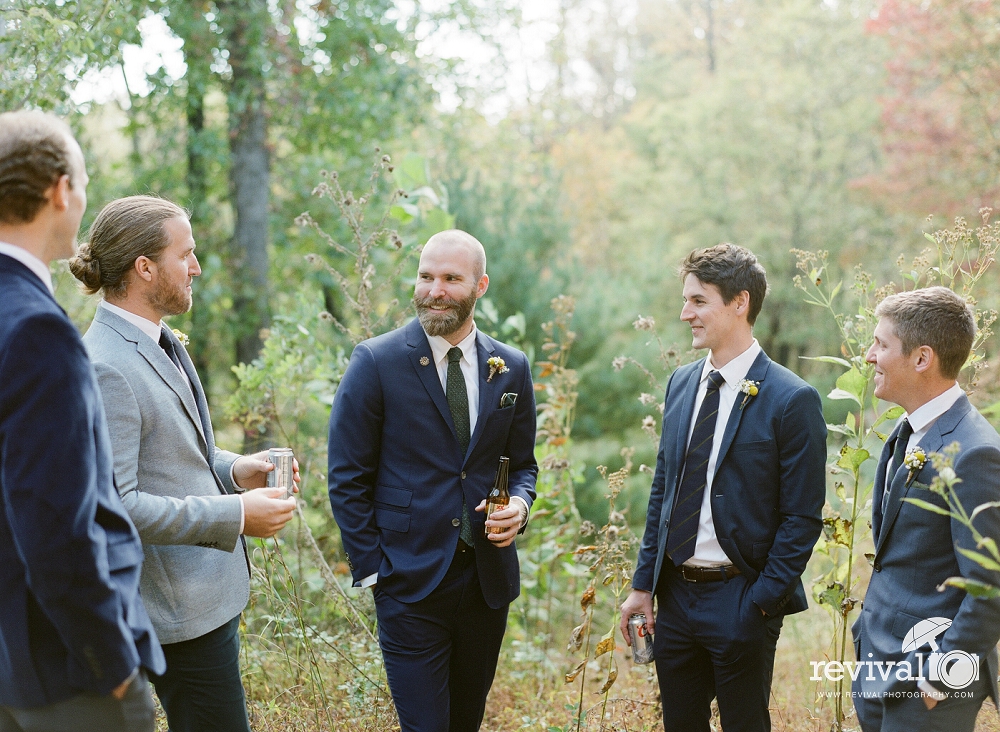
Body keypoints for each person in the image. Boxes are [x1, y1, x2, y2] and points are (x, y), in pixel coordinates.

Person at [68, 195, 298, 732]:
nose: (196, 266)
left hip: (204, 602)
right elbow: (119, 505)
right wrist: (237, 515)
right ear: (144, 268)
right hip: (174, 615)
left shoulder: (154, 337)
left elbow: (168, 452)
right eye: (186, 254)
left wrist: (237, 468)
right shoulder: (107, 365)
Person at [327, 229, 538, 732]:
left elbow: (523, 464)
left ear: (480, 285)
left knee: (465, 722)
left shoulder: (510, 367)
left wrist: (521, 507)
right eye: (425, 276)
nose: (434, 290)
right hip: (408, 581)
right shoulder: (375, 362)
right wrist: (374, 570)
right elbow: (346, 476)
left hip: (487, 582)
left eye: (450, 279)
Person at [0, 111, 164, 732]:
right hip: (67, 672)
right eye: (85, 179)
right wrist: (112, 662)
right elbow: (56, 525)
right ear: (59, 189)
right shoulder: (38, 331)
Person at [619, 243, 827, 732]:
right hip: (675, 598)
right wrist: (643, 584)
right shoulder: (681, 383)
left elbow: (802, 518)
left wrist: (760, 603)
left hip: (742, 598)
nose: (684, 313)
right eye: (686, 300)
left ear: (740, 303)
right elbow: (664, 491)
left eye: (698, 301)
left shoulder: (792, 399)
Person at [851, 286, 1000, 731]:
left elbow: (990, 582)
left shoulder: (976, 454)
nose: (869, 355)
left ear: (922, 358)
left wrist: (940, 677)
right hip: (879, 663)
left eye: (881, 344)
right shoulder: (907, 430)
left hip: (927, 683)